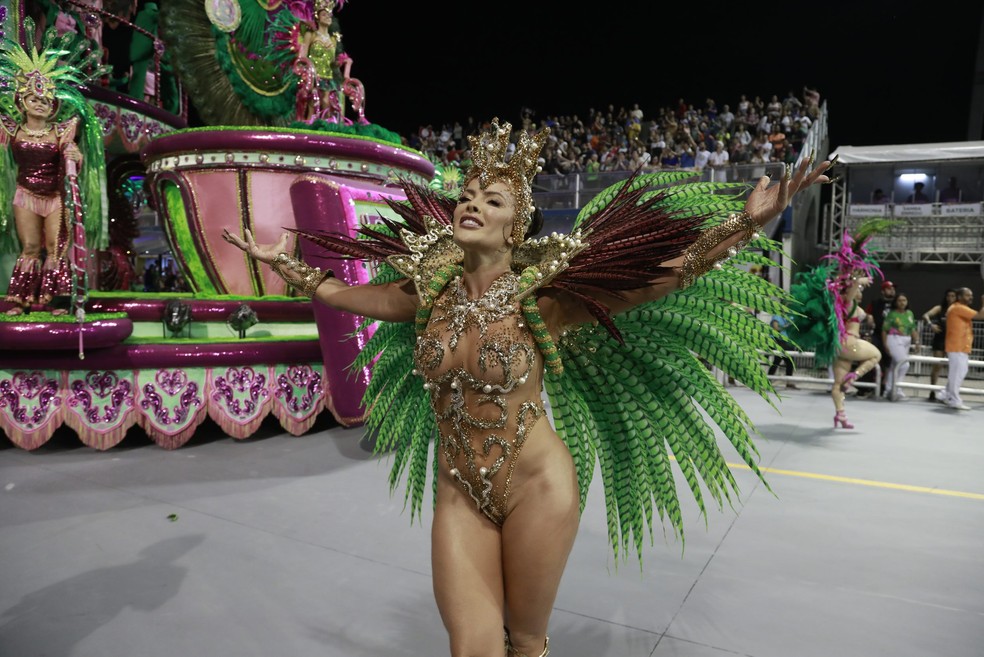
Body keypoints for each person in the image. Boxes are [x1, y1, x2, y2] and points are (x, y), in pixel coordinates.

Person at [224, 118, 833, 656]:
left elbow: (668, 275)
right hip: (459, 490)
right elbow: (342, 294)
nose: (472, 205)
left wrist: (748, 223)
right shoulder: (427, 294)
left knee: (525, 643)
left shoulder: (544, 300)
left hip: (536, 487)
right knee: (472, 648)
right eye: (466, 196)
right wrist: (291, 265)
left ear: (515, 227)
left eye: (492, 201)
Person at [1, 19, 108, 315]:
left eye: (45, 100)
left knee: (56, 246)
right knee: (31, 247)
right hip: (25, 194)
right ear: (22, 102)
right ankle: (21, 299)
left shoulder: (62, 131)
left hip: (54, 197)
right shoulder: (10, 129)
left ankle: (55, 300)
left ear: (53, 106)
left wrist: (76, 156)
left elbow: (72, 156)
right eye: (34, 99)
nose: (40, 104)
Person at [787, 220, 888, 429]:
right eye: (859, 290)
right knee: (876, 355)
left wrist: (854, 278)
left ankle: (840, 414)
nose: (861, 292)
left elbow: (850, 289)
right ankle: (855, 376)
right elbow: (852, 290)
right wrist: (859, 280)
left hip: (837, 346)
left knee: (837, 384)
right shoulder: (848, 302)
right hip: (849, 342)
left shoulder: (839, 304)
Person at [936, 287, 984, 411]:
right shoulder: (958, 308)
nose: (971, 297)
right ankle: (954, 399)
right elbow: (980, 316)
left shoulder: (959, 308)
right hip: (957, 346)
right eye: (968, 295)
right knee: (957, 374)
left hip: (960, 346)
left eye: (971, 295)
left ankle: (945, 394)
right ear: (960, 297)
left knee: (958, 373)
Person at [881, 292, 919, 401]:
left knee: (894, 366)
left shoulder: (909, 313)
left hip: (907, 340)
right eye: (900, 300)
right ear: (896, 302)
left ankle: (888, 390)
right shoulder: (892, 314)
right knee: (904, 364)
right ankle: (897, 389)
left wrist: (916, 341)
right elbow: (884, 330)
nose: (902, 303)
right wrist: (885, 344)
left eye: (904, 300)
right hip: (894, 338)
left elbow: (912, 328)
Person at [922, 288, 958, 401]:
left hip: (953, 340)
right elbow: (925, 315)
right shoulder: (940, 308)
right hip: (940, 339)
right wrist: (930, 325)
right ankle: (932, 392)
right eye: (949, 296)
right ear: (946, 297)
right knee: (937, 366)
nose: (950, 298)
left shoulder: (959, 309)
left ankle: (950, 393)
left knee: (953, 368)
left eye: (953, 296)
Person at [863, 280, 895, 397]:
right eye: (889, 288)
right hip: (877, 334)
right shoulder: (876, 303)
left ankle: (884, 385)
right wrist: (869, 316)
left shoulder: (897, 303)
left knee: (889, 362)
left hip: (891, 336)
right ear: (883, 291)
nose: (892, 290)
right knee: (875, 358)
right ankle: (871, 385)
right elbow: (866, 313)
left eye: (892, 288)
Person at [767, 313, 797, 389]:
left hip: (787, 342)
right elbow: (775, 328)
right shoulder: (777, 316)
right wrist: (786, 327)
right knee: (778, 361)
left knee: (789, 362)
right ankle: (769, 381)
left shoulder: (791, 316)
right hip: (779, 341)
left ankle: (788, 382)